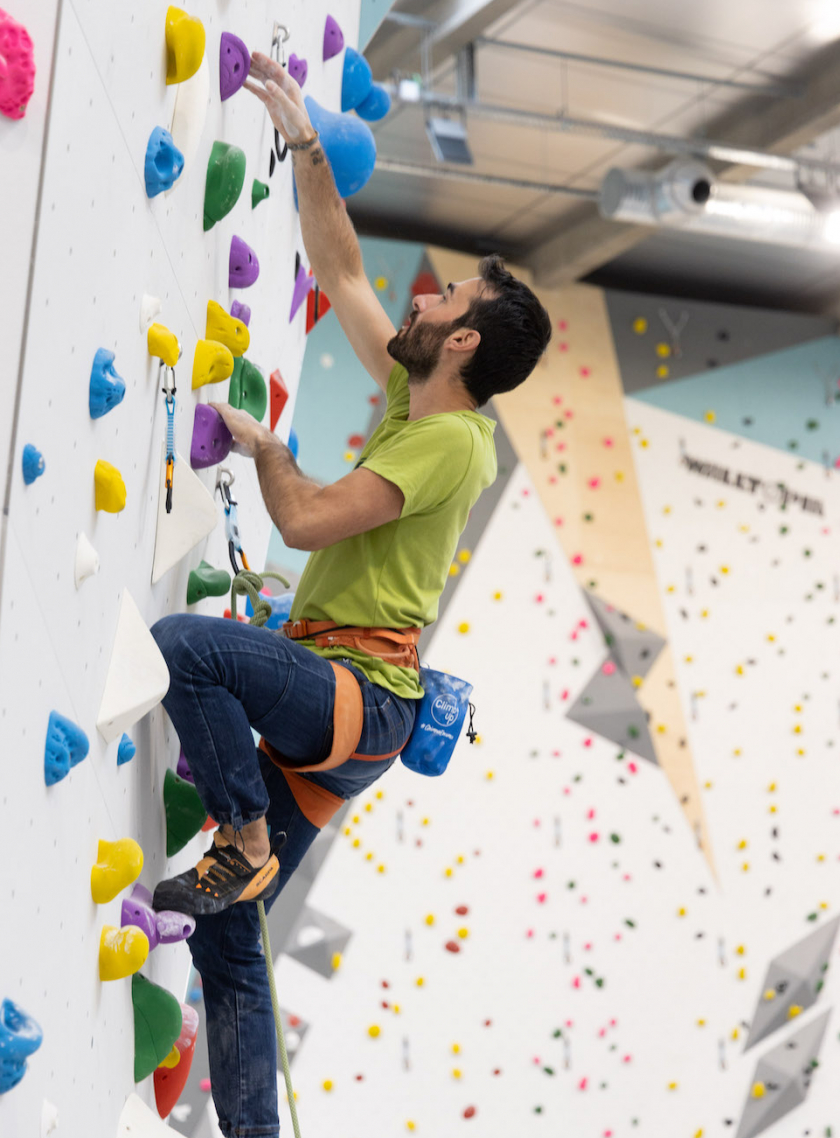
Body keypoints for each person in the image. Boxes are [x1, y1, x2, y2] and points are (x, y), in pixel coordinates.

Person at [149, 51, 552, 1138]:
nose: (424, 297)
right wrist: (308, 144)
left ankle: (241, 827)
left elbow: (306, 520)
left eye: (448, 299)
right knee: (233, 939)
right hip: (343, 699)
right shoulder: (418, 393)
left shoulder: (455, 442)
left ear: (462, 340)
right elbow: (345, 275)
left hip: (360, 696)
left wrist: (265, 448)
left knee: (185, 647)